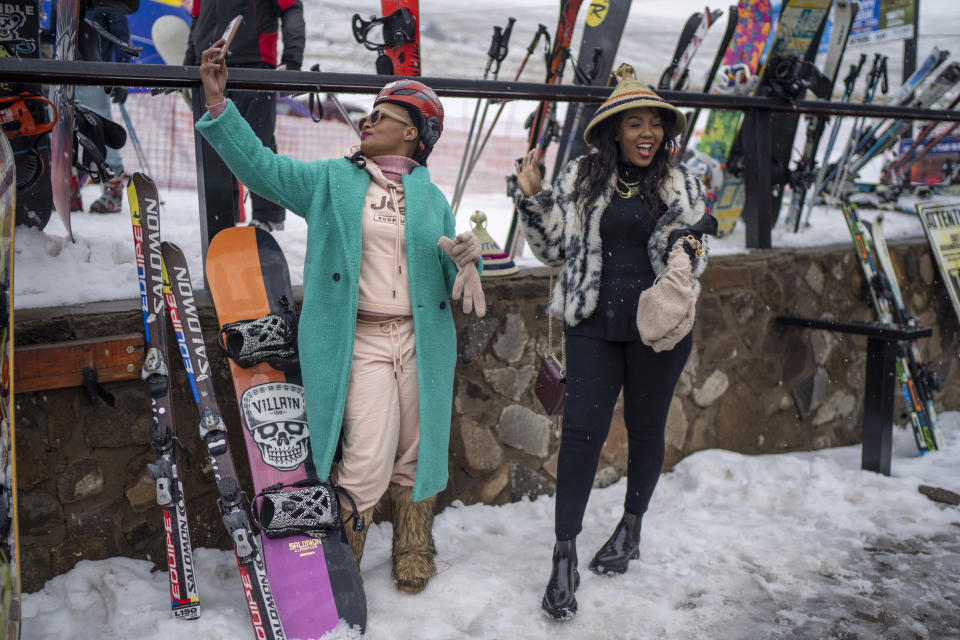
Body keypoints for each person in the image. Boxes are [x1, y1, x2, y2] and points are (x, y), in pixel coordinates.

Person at [196, 39, 486, 594]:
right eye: (369, 112)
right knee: (365, 459)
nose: (367, 120)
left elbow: (451, 273)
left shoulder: (431, 196)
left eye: (383, 115)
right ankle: (342, 560)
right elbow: (262, 171)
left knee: (416, 451)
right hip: (364, 339)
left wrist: (467, 267)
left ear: (412, 133)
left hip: (423, 339)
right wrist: (219, 105)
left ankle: (414, 545)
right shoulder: (332, 181)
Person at [514, 64, 716, 620]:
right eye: (635, 124)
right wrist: (533, 200)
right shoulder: (581, 178)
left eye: (655, 124)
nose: (647, 133)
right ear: (614, 131)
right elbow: (554, 252)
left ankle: (631, 528)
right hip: (592, 323)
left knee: (645, 428)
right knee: (581, 434)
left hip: (660, 331)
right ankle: (563, 554)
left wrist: (690, 249)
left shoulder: (680, 181)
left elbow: (700, 250)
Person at [184, 0, 305, 231]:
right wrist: (189, 66)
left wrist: (292, 58)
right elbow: (198, 20)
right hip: (209, 65)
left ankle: (268, 215)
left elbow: (292, 7)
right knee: (213, 142)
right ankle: (222, 214)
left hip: (255, 64)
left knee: (258, 142)